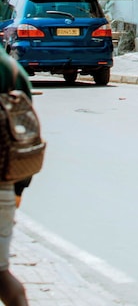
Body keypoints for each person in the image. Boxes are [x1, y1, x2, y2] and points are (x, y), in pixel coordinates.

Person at [0, 48, 31, 306]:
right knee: (1, 275)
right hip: (2, 186)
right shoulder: (9, 69)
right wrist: (18, 189)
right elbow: (26, 137)